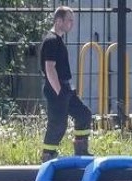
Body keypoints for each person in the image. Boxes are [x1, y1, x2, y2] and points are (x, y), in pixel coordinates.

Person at [39, 6, 92, 163]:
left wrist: (68, 90)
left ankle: (81, 150)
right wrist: (59, 91)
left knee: (83, 114)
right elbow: (50, 68)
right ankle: (48, 155)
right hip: (57, 88)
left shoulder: (58, 40)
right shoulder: (51, 40)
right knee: (58, 123)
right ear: (58, 20)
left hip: (65, 87)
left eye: (72, 20)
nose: (71, 23)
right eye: (69, 20)